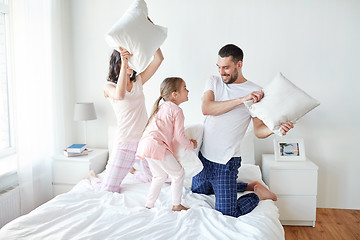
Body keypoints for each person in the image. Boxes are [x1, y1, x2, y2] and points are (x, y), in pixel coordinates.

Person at [191, 44, 294, 217]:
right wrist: (240, 100)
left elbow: (259, 131)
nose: (221, 72)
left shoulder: (254, 92)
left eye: (226, 67)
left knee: (228, 212)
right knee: (198, 190)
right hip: (204, 156)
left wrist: (275, 129)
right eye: (219, 67)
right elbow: (206, 108)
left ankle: (258, 193)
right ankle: (246, 185)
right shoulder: (214, 81)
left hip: (226, 163)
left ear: (239, 65)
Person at [90, 45, 164, 193]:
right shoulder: (109, 87)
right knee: (108, 190)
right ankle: (93, 177)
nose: (131, 64)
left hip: (144, 141)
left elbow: (159, 59)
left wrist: (151, 32)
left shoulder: (138, 81)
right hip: (125, 143)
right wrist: (124, 65)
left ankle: (133, 170)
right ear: (117, 63)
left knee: (156, 179)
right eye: (126, 60)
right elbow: (120, 95)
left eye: (132, 60)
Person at [136, 77, 197, 211]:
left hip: (145, 144)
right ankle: (176, 204)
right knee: (178, 173)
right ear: (175, 95)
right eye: (185, 88)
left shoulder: (162, 107)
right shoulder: (176, 110)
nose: (188, 91)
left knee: (159, 176)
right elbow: (179, 136)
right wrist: (191, 145)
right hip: (156, 145)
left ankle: (149, 205)